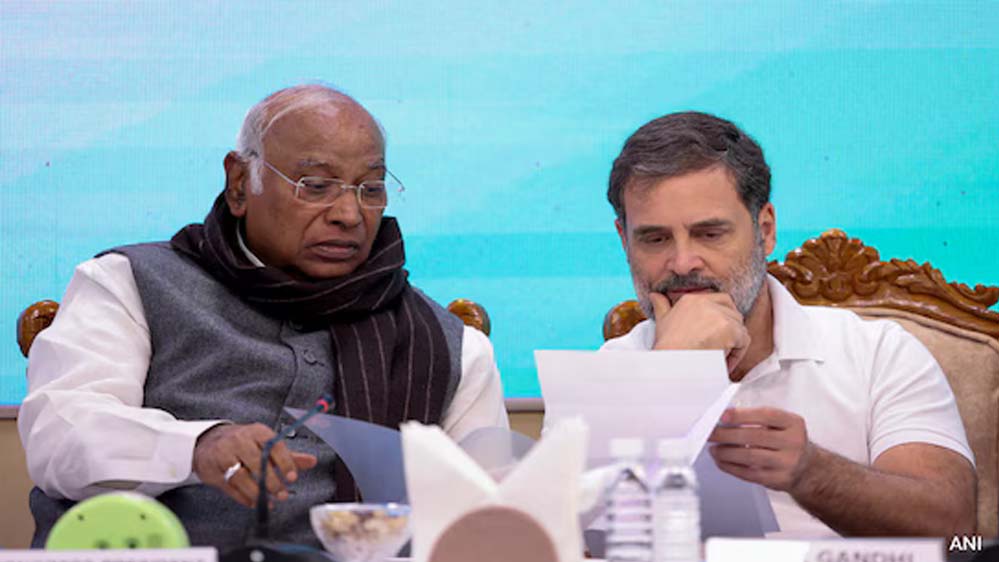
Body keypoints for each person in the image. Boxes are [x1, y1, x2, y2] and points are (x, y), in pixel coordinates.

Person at [18, 84, 508, 550]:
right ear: (239, 184)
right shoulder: (129, 282)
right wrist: (197, 446)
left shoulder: (446, 343)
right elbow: (59, 436)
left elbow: (493, 519)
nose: (349, 214)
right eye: (316, 185)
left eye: (371, 188)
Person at [603, 111, 976, 537]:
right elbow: (579, 539)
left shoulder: (878, 353)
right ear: (624, 241)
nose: (684, 262)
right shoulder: (608, 372)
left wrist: (811, 472)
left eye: (710, 234)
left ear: (765, 230)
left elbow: (953, 526)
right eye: (655, 239)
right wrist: (669, 370)